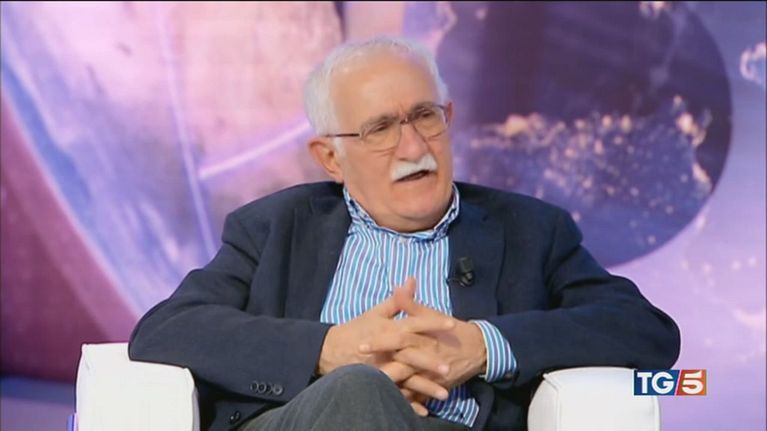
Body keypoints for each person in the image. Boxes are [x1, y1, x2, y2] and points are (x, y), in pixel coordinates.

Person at [128, 36, 680, 431]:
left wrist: (484, 346)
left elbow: (644, 331)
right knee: (357, 390)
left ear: (449, 117)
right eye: (380, 129)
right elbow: (165, 329)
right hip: (301, 420)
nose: (414, 147)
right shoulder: (274, 226)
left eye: (425, 117)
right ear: (330, 158)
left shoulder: (531, 230)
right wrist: (326, 350)